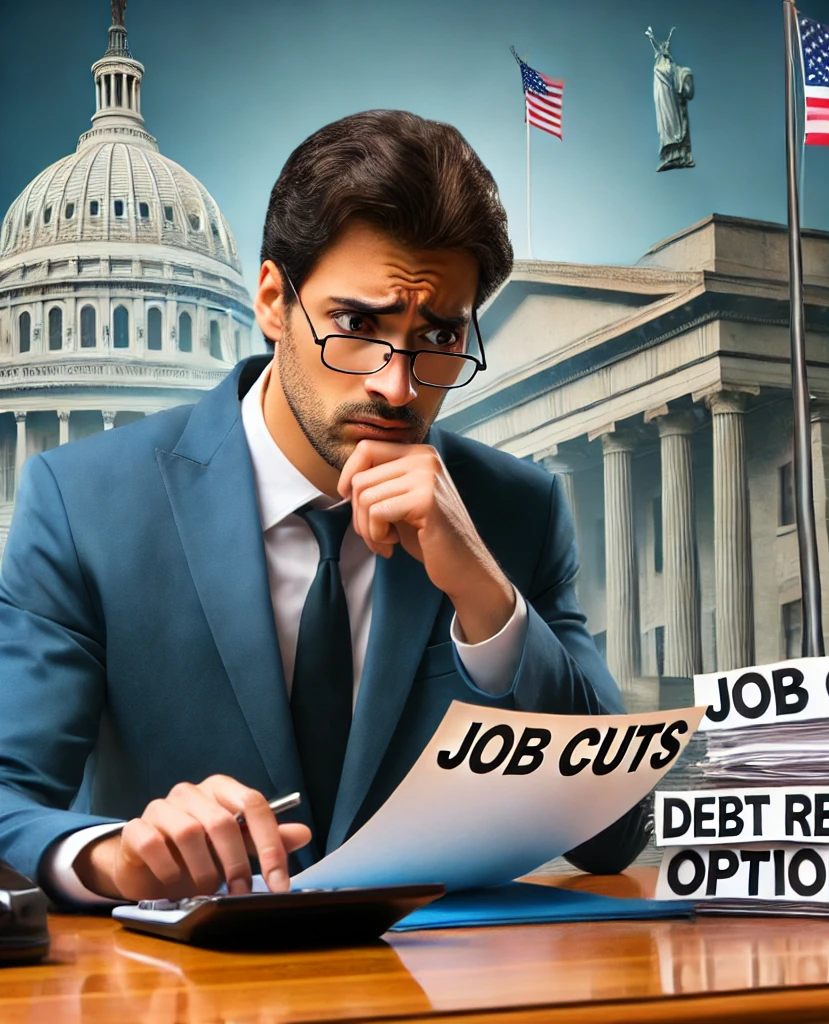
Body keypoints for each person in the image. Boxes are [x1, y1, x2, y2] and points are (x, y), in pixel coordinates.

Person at [0, 110, 647, 906]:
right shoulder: (85, 505)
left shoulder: (517, 511)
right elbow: (6, 797)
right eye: (356, 324)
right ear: (273, 300)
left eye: (439, 336)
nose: (398, 385)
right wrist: (111, 855)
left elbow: (617, 832)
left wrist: (490, 601)